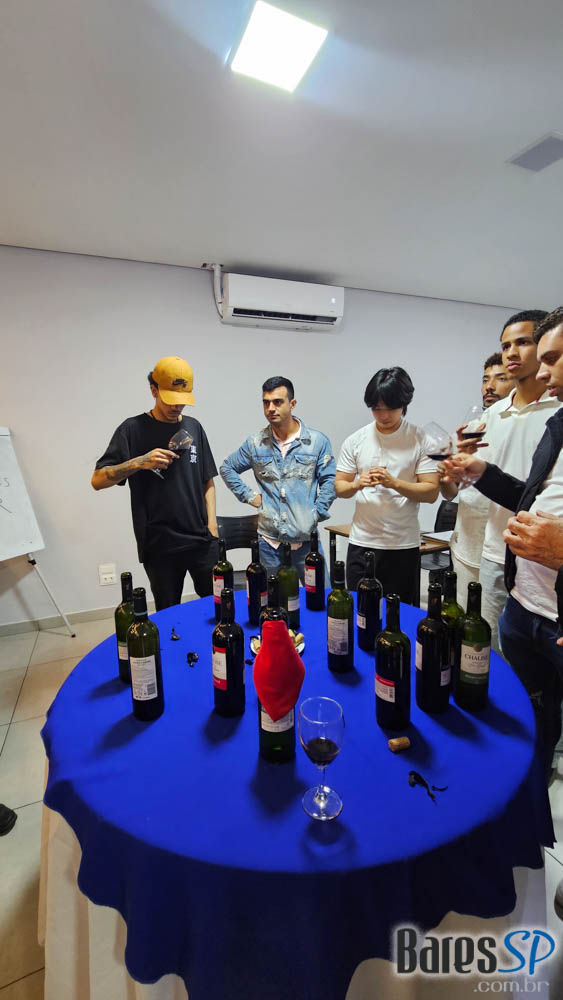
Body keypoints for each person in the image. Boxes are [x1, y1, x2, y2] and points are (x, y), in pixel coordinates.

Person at [442, 307, 563, 778]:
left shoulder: (551, 413)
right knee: (515, 692)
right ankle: (518, 774)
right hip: (518, 585)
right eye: (506, 345)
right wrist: (474, 471)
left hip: (541, 594)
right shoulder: (531, 421)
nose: (542, 370)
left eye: (547, 355)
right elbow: (527, 497)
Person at [92, 356, 219, 610]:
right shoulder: (132, 429)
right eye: (171, 399)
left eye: (182, 400)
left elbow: (208, 480)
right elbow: (97, 480)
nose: (177, 407)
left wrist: (212, 528)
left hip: (202, 541)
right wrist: (139, 462)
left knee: (216, 607)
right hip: (160, 545)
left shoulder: (194, 427)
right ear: (154, 390)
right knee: (168, 614)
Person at [461, 310, 553, 651]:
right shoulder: (490, 416)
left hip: (545, 559)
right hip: (494, 551)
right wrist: (460, 468)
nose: (511, 352)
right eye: (505, 346)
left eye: (523, 342)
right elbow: (466, 485)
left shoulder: (557, 410)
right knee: (487, 651)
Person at [335, 367, 439, 603]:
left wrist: (394, 483)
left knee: (400, 614)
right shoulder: (356, 440)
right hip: (362, 542)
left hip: (402, 544)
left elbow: (431, 492)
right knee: (361, 610)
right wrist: (357, 484)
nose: (383, 415)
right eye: (376, 408)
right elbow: (340, 487)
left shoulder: (421, 439)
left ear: (404, 403)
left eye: (390, 408)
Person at [220, 376, 335, 580]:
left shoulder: (316, 442)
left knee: (319, 595)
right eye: (266, 403)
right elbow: (227, 467)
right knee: (272, 598)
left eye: (277, 402)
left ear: (292, 404)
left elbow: (330, 480)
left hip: (305, 541)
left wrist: (316, 512)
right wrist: (250, 497)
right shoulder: (256, 443)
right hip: (269, 543)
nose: (271, 408)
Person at [439, 352, 514, 605]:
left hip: (503, 550)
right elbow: (450, 493)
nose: (489, 386)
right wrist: (445, 476)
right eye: (485, 379)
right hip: (466, 545)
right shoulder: (470, 430)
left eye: (500, 378)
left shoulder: (519, 429)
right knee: (463, 617)